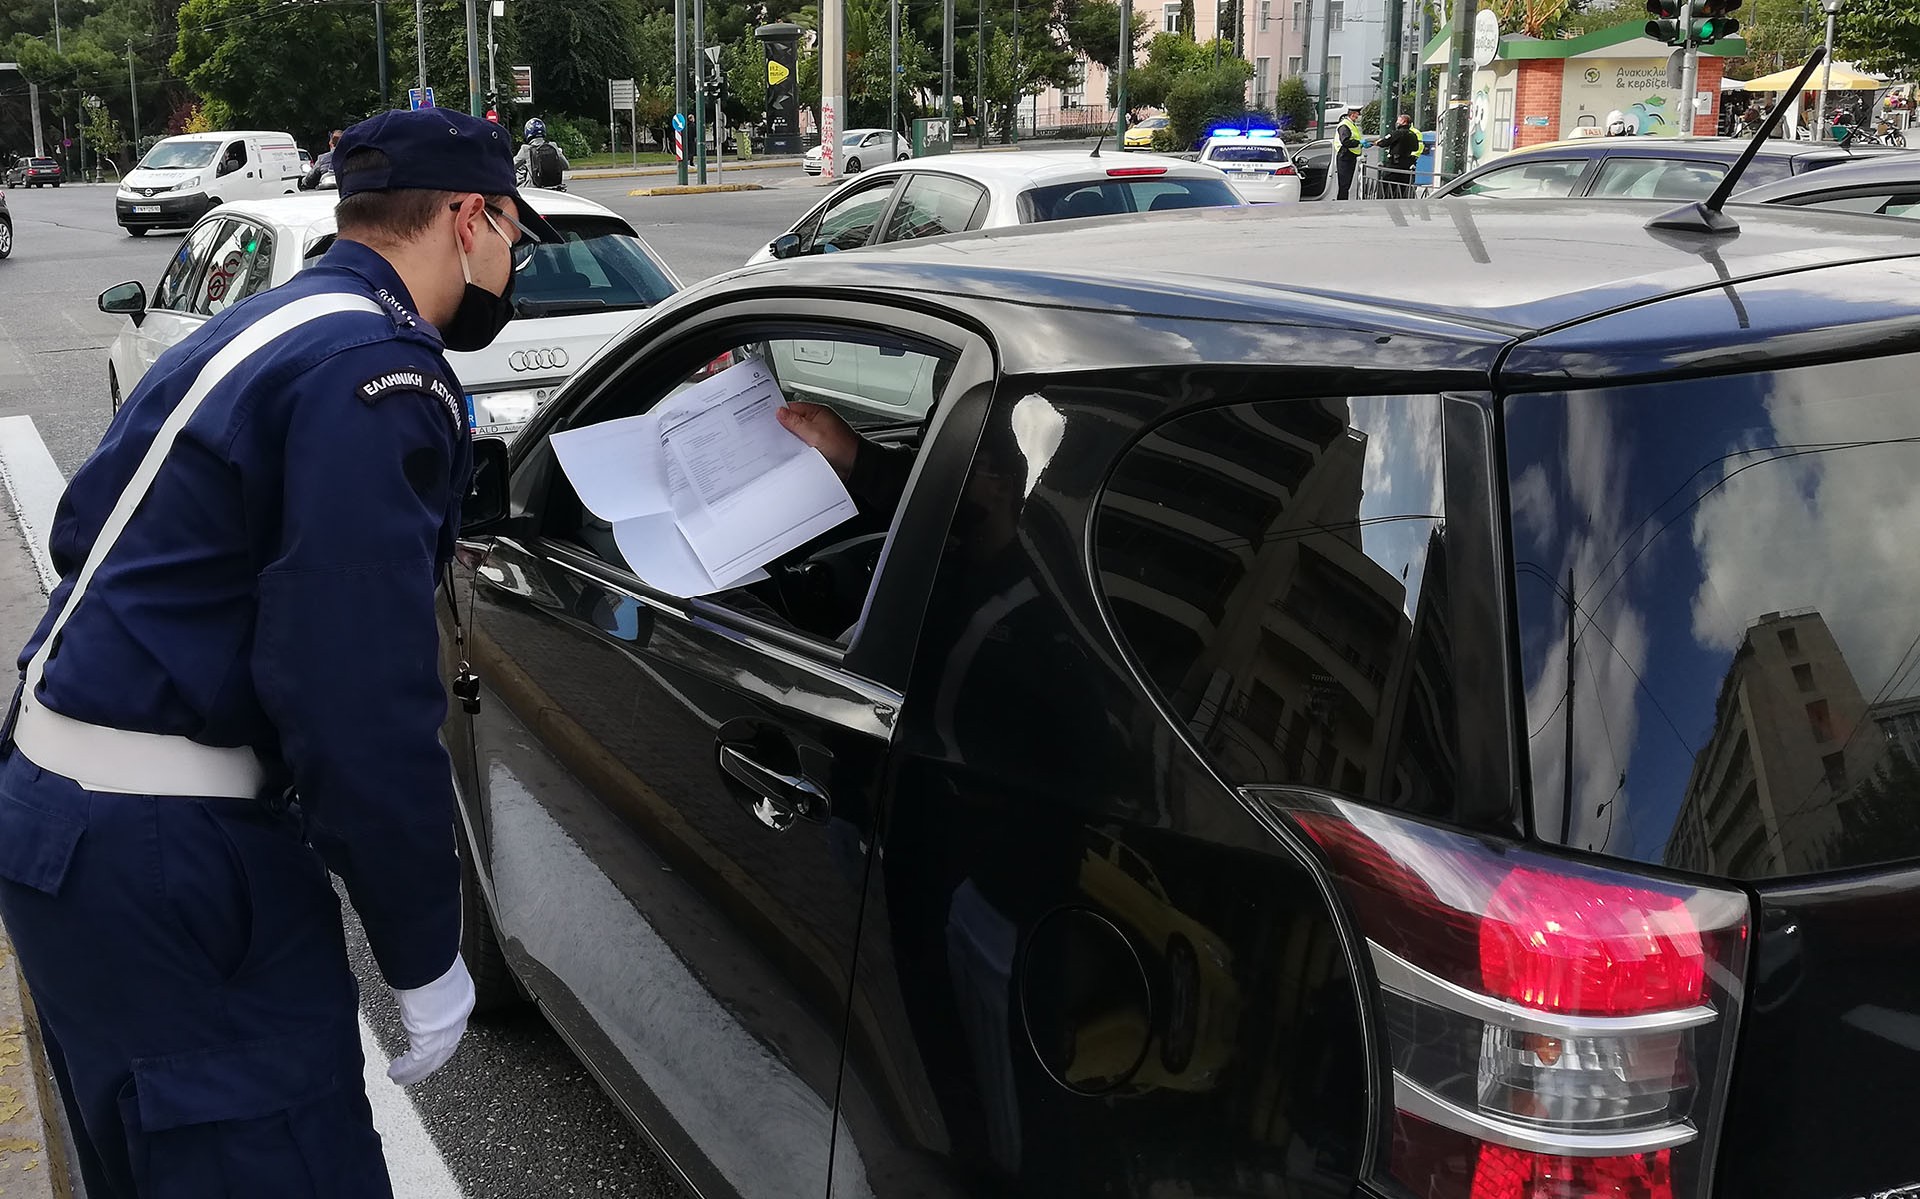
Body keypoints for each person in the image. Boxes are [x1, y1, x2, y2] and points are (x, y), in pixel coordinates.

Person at [0, 107, 556, 1198]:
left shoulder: (281, 320)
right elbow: (354, 692)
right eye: (512, 239)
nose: (510, 263)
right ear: (469, 217)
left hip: (65, 821)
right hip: (172, 856)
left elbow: (89, 533)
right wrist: (422, 947)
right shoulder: (383, 369)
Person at [514, 116, 570, 190]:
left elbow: (510, 167)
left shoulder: (526, 149)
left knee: (517, 191)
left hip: (533, 189)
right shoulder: (553, 146)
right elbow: (566, 166)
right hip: (554, 187)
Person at [1376, 113, 1421, 198]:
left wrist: (1377, 142)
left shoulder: (1397, 133)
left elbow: (1383, 143)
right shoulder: (1413, 134)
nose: (1397, 122)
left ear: (1404, 122)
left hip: (1395, 165)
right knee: (1403, 189)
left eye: (1399, 120)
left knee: (1388, 188)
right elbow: (1415, 148)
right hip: (1406, 164)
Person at [1335, 105, 1364, 200]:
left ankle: (1343, 202)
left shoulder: (1350, 124)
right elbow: (1345, 141)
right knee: (1344, 184)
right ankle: (1342, 204)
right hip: (1345, 156)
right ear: (1352, 114)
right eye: (1357, 114)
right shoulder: (1344, 125)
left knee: (1346, 184)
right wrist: (1359, 143)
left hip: (1350, 156)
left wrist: (1361, 144)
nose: (1359, 115)